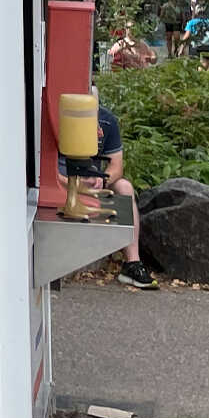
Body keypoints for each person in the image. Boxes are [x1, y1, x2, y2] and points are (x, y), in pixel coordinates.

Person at [63, 96, 157, 289]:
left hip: (92, 180)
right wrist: (72, 182)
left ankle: (132, 263)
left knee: (125, 187)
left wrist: (102, 178)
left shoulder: (107, 120)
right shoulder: (56, 116)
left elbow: (116, 165)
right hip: (63, 181)